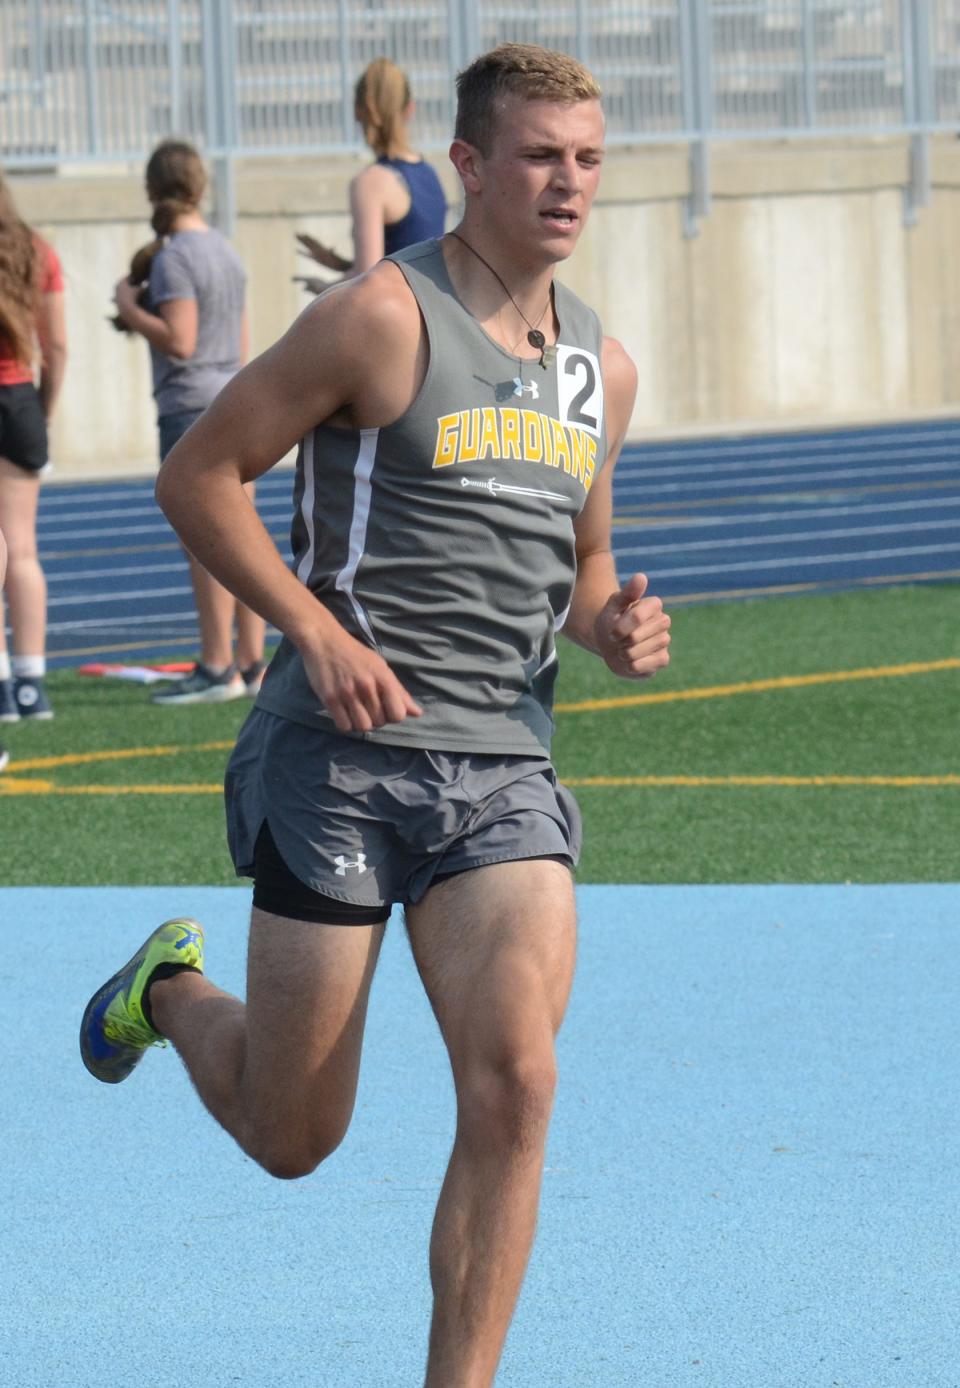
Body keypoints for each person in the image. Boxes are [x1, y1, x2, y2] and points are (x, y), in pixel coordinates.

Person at [81, 43, 671, 1386]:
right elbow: (200, 476)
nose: (567, 181)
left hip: (503, 773)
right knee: (294, 1135)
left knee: (517, 1082)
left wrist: (614, 625)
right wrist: (314, 631)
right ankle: (167, 993)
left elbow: (580, 570)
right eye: (538, 154)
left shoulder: (602, 370)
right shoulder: (382, 319)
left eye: (586, 156)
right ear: (467, 166)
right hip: (339, 764)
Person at [113, 138, 266, 704]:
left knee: (206, 539)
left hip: (191, 406)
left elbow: (181, 341)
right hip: (232, 398)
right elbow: (241, 343)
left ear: (154, 189)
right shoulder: (225, 250)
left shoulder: (175, 255)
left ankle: (217, 664)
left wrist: (130, 308)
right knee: (243, 535)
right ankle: (251, 662)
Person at [0, 172, 67, 724]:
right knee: (22, 547)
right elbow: (59, 345)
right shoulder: (35, 249)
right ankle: (31, 684)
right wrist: (41, 408)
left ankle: (1, 684)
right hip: (20, 397)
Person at [294, 56, 446, 293]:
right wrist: (339, 264)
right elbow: (406, 257)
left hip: (398, 319)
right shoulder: (430, 175)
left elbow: (367, 276)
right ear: (410, 109)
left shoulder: (371, 182)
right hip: (433, 314)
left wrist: (323, 288)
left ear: (358, 111)